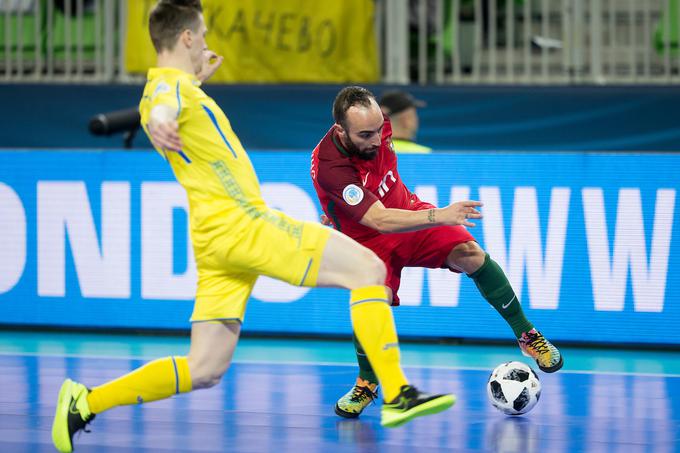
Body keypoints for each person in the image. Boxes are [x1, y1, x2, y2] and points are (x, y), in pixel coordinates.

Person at [49, 3, 482, 451]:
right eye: (202, 32)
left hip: (213, 241)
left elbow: (170, 100)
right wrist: (161, 116)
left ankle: (84, 403)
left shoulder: (177, 88)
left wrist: (194, 83)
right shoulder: (167, 91)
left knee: (204, 368)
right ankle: (395, 392)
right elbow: (164, 105)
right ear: (186, 38)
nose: (204, 40)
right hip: (245, 225)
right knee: (369, 270)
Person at [311, 86, 563, 419]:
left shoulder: (380, 124)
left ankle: (527, 334)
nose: (375, 139)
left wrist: (335, 207)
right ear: (341, 130)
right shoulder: (330, 165)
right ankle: (367, 383)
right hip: (369, 240)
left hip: (407, 210)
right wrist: (441, 214)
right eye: (365, 134)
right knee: (371, 302)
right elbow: (379, 220)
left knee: (471, 254)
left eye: (377, 129)